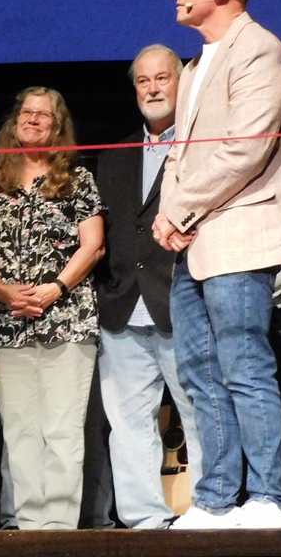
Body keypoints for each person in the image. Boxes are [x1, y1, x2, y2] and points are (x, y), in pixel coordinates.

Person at [152, 0, 281, 529]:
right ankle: (217, 499)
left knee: (243, 365)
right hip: (194, 240)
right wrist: (169, 214)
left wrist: (180, 211)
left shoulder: (259, 51)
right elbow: (179, 157)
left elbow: (244, 151)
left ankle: (270, 498)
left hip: (240, 233)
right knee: (198, 372)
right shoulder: (196, 66)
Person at [0, 86, 105, 530]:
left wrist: (55, 288)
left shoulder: (78, 180)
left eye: (45, 114)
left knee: (62, 430)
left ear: (58, 126)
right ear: (14, 121)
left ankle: (59, 531)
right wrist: (0, 288)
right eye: (27, 112)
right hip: (5, 322)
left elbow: (94, 245)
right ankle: (28, 530)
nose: (34, 119)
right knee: (20, 431)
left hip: (68, 319)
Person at [95, 44, 201, 529]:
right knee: (128, 423)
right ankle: (143, 523)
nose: (153, 88)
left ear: (181, 83)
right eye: (144, 81)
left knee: (198, 414)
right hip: (122, 308)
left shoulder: (201, 148)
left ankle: (209, 511)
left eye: (162, 78)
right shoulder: (112, 157)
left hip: (181, 303)